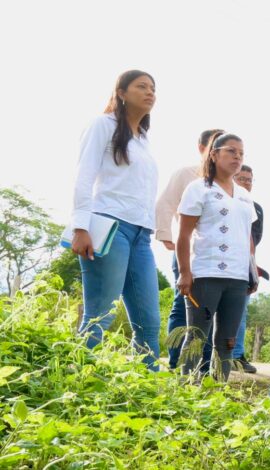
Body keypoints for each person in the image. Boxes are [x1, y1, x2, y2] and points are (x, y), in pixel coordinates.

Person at [71, 70, 161, 371]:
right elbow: (84, 178)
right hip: (109, 227)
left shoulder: (143, 139)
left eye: (153, 88)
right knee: (100, 314)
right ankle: (78, 381)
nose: (150, 92)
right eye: (141, 87)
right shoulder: (103, 125)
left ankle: (146, 391)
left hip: (141, 236)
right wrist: (80, 227)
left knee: (149, 321)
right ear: (121, 93)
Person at [176, 132, 258, 382]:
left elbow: (248, 238)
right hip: (206, 274)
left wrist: (252, 271)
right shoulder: (199, 188)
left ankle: (217, 390)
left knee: (228, 341)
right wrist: (184, 272)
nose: (237, 157)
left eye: (241, 153)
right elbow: (184, 235)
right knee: (197, 336)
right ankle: (185, 390)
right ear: (214, 154)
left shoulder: (244, 195)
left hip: (237, 277)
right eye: (231, 151)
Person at [155, 128, 224, 370]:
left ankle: (201, 364)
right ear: (202, 148)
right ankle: (177, 359)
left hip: (214, 255)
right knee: (182, 302)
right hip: (187, 250)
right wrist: (167, 236)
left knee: (208, 309)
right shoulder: (186, 174)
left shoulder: (226, 180)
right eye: (216, 145)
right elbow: (164, 203)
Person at [230, 164, 264, 374]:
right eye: (241, 178)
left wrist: (253, 269)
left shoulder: (256, 208)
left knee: (240, 312)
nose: (245, 182)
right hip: (214, 265)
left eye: (249, 179)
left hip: (243, 264)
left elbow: (254, 238)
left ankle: (236, 355)